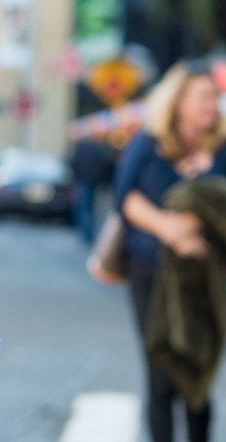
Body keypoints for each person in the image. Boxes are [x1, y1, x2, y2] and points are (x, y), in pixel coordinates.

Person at [113, 58, 226, 442]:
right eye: (204, 97)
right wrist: (168, 227)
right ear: (178, 101)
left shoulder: (223, 147)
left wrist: (194, 222)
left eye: (215, 97)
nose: (212, 104)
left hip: (207, 278)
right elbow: (124, 197)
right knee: (161, 372)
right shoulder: (148, 141)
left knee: (198, 372)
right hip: (151, 270)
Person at [69, 135, 115, 243]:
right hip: (93, 181)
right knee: (90, 208)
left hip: (82, 180)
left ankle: (85, 233)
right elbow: (105, 165)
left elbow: (73, 162)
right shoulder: (99, 149)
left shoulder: (82, 147)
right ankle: (89, 233)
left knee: (84, 207)